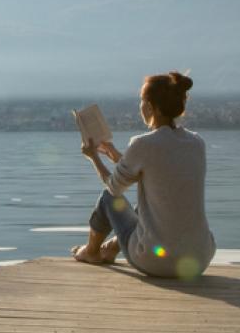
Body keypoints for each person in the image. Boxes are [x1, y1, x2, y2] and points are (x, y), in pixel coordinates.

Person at [72, 72, 215, 279]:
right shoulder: (196, 143)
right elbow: (158, 174)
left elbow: (114, 187)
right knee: (149, 202)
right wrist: (113, 154)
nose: (140, 106)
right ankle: (111, 249)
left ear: (149, 107)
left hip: (158, 261)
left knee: (108, 198)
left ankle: (91, 252)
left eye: (141, 101)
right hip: (200, 258)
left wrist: (93, 157)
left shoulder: (142, 144)